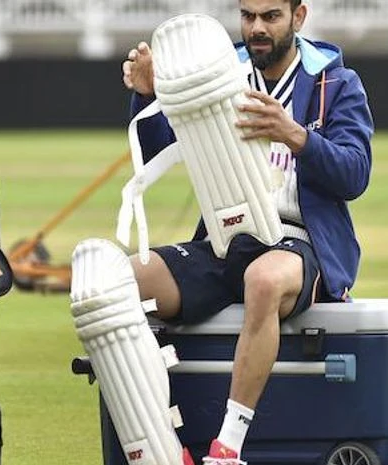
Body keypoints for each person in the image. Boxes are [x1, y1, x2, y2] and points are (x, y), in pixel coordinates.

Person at [121, 0, 374, 463]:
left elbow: (355, 174)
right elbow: (160, 152)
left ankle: (226, 450)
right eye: (247, 16)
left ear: (298, 17)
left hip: (300, 241)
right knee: (118, 283)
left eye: (270, 16)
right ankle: (167, 445)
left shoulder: (337, 82)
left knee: (263, 279)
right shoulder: (218, 71)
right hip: (224, 243)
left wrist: (295, 135)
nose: (256, 28)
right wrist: (148, 95)